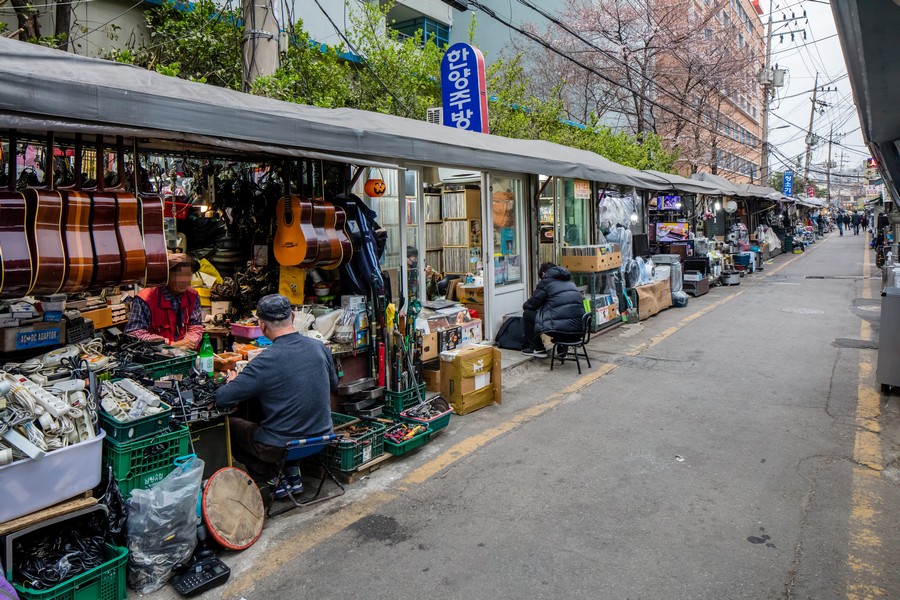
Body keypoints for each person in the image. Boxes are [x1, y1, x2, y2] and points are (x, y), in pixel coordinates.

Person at [215, 294, 337, 496]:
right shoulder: (319, 347)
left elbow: (222, 398)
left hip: (283, 446)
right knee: (279, 412)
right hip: (323, 436)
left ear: (261, 326)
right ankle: (293, 474)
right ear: (292, 317)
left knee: (230, 427)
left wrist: (232, 382)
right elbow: (334, 384)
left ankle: (273, 478)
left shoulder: (266, 360)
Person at [126, 252, 203, 349]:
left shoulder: (193, 296)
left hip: (187, 355)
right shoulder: (145, 299)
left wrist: (188, 343)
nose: (186, 280)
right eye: (180, 274)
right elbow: (135, 333)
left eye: (189, 274)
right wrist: (170, 345)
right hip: (156, 358)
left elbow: (196, 326)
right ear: (166, 275)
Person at [521, 262, 585, 358]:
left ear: (543, 274)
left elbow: (531, 304)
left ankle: (537, 348)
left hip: (558, 331)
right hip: (578, 331)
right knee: (563, 314)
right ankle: (562, 351)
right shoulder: (570, 282)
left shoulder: (546, 282)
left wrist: (527, 306)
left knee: (528, 314)